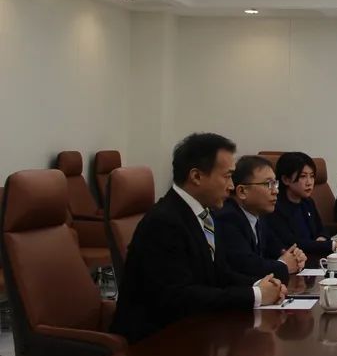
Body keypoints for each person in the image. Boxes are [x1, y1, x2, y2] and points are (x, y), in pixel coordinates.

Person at [111, 133, 286, 343]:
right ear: (196, 176)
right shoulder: (164, 222)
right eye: (227, 176)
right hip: (156, 343)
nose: (231, 185)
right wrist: (255, 295)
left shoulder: (203, 214)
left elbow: (219, 274)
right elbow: (179, 296)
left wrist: (262, 285)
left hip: (194, 331)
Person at [216, 155, 307, 283]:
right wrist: (284, 265)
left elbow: (277, 249)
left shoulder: (260, 215)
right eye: (268, 184)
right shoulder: (227, 218)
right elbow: (246, 266)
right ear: (242, 191)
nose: (275, 191)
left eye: (275, 184)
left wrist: (294, 256)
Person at [265, 151, 337, 257]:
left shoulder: (307, 202)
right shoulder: (275, 207)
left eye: (312, 176)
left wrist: (322, 238)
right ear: (286, 179)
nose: (309, 182)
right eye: (303, 176)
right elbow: (293, 243)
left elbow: (322, 229)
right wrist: (333, 245)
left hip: (315, 256)